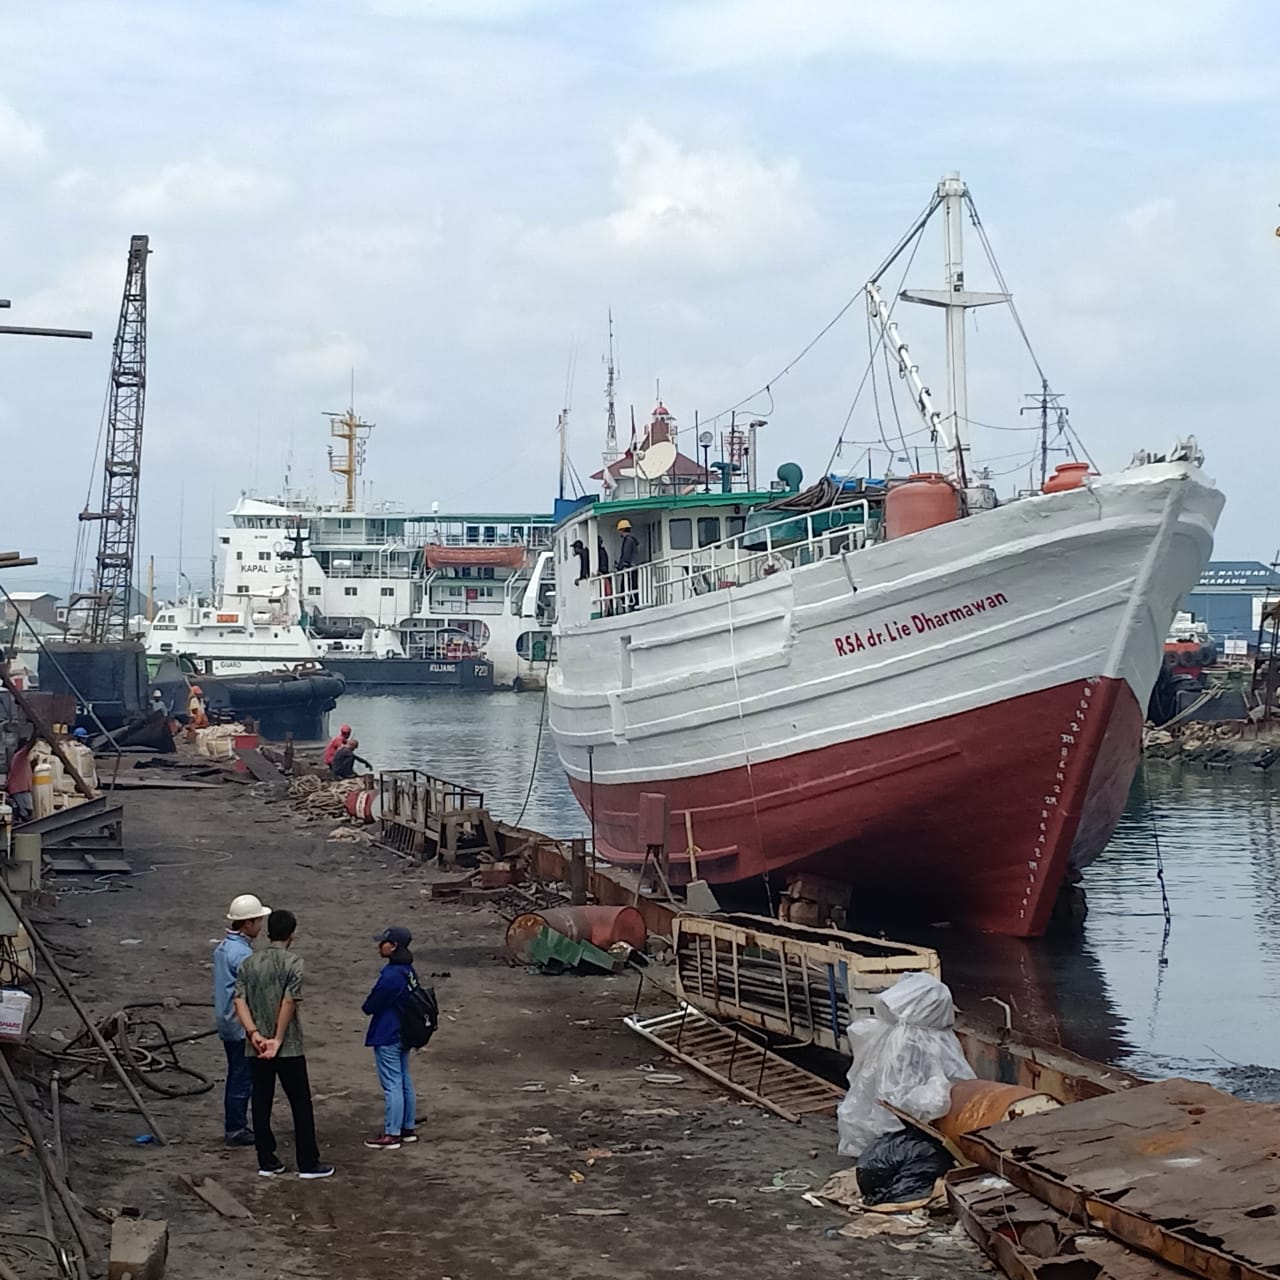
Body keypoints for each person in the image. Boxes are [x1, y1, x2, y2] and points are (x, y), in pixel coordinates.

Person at [233, 909, 334, 1180]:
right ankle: (307, 1162)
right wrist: (277, 1038)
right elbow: (289, 1001)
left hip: (255, 1046)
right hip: (288, 1046)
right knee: (300, 1102)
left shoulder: (249, 962)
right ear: (292, 934)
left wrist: (253, 1033)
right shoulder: (293, 963)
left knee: (262, 1100)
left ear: (268, 932)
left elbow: (239, 999)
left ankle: (267, 1160)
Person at [214, 893, 271, 1147]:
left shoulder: (225, 948)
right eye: (258, 921)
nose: (261, 925)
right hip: (240, 1025)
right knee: (241, 1077)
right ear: (247, 923)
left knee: (237, 1074)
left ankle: (236, 1125)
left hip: (228, 1021)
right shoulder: (242, 954)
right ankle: (236, 1128)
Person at [361, 926, 420, 1151]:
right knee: (404, 1079)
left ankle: (392, 1133)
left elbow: (372, 1004)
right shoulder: (409, 971)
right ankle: (407, 1127)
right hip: (405, 1031)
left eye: (384, 942)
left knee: (392, 1083)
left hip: (388, 1033)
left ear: (393, 945)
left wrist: (368, 1006)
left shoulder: (392, 975)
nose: (380, 945)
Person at [4, 737, 34, 824]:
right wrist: (36, 735)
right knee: (26, 813)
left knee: (24, 812)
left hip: (19, 789)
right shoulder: (21, 755)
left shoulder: (19, 758)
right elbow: (29, 746)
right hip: (21, 790)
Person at [616, 518, 640, 611]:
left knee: (626, 588)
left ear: (622, 530)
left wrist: (621, 566)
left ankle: (631, 605)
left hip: (629, 569)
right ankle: (633, 604)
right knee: (633, 587)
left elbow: (626, 555)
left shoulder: (628, 541)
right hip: (633, 568)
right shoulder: (632, 540)